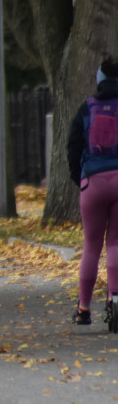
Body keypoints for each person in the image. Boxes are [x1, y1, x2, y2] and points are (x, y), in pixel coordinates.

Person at [67, 56, 118, 326]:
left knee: (91, 246)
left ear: (99, 79)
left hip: (93, 181)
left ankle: (84, 308)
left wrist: (82, 180)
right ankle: (115, 298)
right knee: (116, 243)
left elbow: (73, 147)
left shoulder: (87, 107)